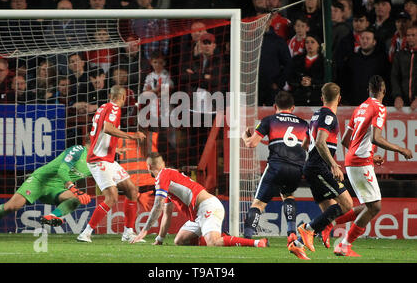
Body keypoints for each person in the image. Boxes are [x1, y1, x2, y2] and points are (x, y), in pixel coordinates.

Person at [335, 75, 413, 256]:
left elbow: (346, 141)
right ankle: (344, 244)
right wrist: (401, 149)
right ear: (383, 91)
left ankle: (326, 224)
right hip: (360, 161)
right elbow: (375, 138)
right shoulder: (379, 108)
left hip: (352, 160)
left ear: (368, 90)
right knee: (375, 207)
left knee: (368, 205)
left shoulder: (360, 108)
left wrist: (370, 156)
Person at [130, 152, 268, 248]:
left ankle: (257, 243)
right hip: (197, 216)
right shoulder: (167, 178)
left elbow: (157, 205)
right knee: (179, 241)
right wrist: (159, 239)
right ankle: (223, 237)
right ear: (163, 163)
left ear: (148, 167)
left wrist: (145, 230)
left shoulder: (163, 176)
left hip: (208, 207)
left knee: (213, 242)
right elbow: (167, 213)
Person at [0, 142, 94, 238]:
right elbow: (62, 170)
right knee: (12, 206)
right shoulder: (78, 150)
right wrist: (73, 188)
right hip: (40, 181)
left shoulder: (96, 163)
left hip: (57, 188)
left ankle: (52, 216)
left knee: (77, 198)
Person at [289, 82, 354, 260]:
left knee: (331, 210)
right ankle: (306, 229)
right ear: (339, 99)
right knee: (347, 204)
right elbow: (319, 142)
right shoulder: (329, 117)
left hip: (313, 166)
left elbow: (305, 144)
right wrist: (333, 164)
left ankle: (298, 245)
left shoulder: (316, 115)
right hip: (319, 167)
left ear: (321, 97)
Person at [76, 85, 146, 243]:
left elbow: (100, 133)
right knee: (112, 197)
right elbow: (108, 128)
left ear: (110, 95)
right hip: (98, 160)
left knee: (132, 190)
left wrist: (115, 148)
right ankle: (86, 233)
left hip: (107, 159)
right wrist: (131, 136)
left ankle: (128, 232)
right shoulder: (114, 108)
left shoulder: (103, 107)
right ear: (123, 97)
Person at [241, 91, 309, 247]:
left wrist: (245, 137)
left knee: (258, 204)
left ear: (274, 106)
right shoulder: (304, 124)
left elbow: (252, 144)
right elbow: (307, 146)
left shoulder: (269, 120)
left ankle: (248, 236)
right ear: (293, 107)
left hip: (277, 165)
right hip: (297, 167)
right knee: (288, 195)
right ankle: (292, 233)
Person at [342, 28, 390, 106]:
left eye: (368, 39)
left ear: (374, 42)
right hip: (354, 104)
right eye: (362, 38)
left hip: (375, 105)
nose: (364, 41)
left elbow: (386, 81)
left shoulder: (382, 60)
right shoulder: (352, 59)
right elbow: (346, 81)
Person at [391, 24, 417, 110]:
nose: (410, 38)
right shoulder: (399, 55)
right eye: (408, 35)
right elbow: (394, 77)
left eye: (413, 35)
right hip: (402, 103)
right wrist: (397, 96)